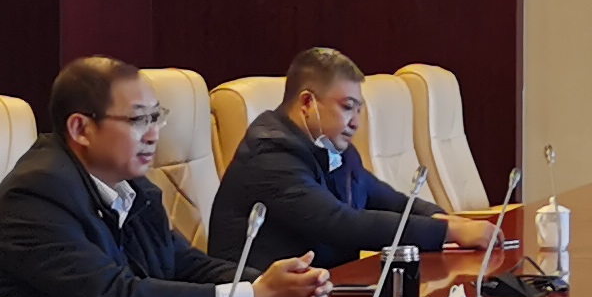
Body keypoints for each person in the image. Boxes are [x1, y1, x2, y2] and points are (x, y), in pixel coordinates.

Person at [0, 56, 329, 297]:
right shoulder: (37, 194)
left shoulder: (132, 185)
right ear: (81, 128)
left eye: (157, 117)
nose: (154, 134)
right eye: (139, 120)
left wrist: (274, 284)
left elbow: (181, 263)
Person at [209, 47, 497, 268]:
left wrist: (445, 219)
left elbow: (389, 201)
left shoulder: (332, 149)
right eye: (347, 107)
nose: (356, 123)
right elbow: (340, 223)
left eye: (359, 110)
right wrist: (447, 231)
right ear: (308, 102)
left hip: (317, 294)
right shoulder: (269, 154)